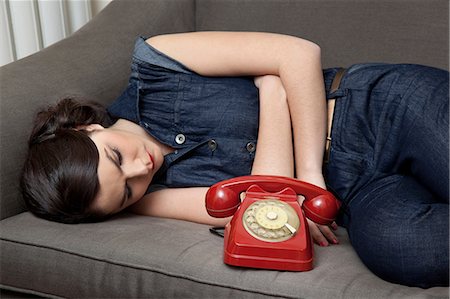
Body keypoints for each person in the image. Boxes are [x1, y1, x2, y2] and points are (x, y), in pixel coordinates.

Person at [20, 32, 448, 288]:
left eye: (117, 158)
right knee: (406, 250)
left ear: (87, 130)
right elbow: (269, 205)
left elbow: (298, 54)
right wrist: (270, 92)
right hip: (359, 191)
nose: (141, 170)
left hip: (379, 107)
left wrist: (310, 176)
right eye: (126, 192)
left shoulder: (158, 64)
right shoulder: (148, 196)